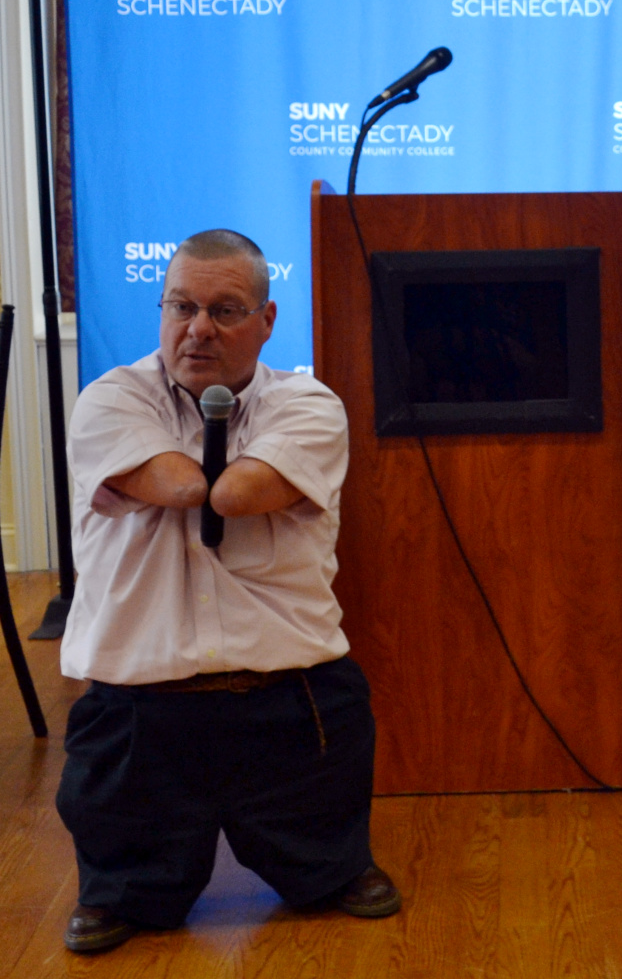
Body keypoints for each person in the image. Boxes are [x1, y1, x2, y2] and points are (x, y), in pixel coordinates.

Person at [55, 229, 399, 953]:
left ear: (268, 321)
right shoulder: (108, 398)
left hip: (285, 697)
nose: (198, 327)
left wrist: (216, 471)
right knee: (126, 899)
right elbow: (178, 483)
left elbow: (238, 494)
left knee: (331, 871)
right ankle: (124, 883)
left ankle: (333, 867)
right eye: (181, 304)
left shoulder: (308, 403)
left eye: (226, 309)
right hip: (141, 706)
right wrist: (205, 471)